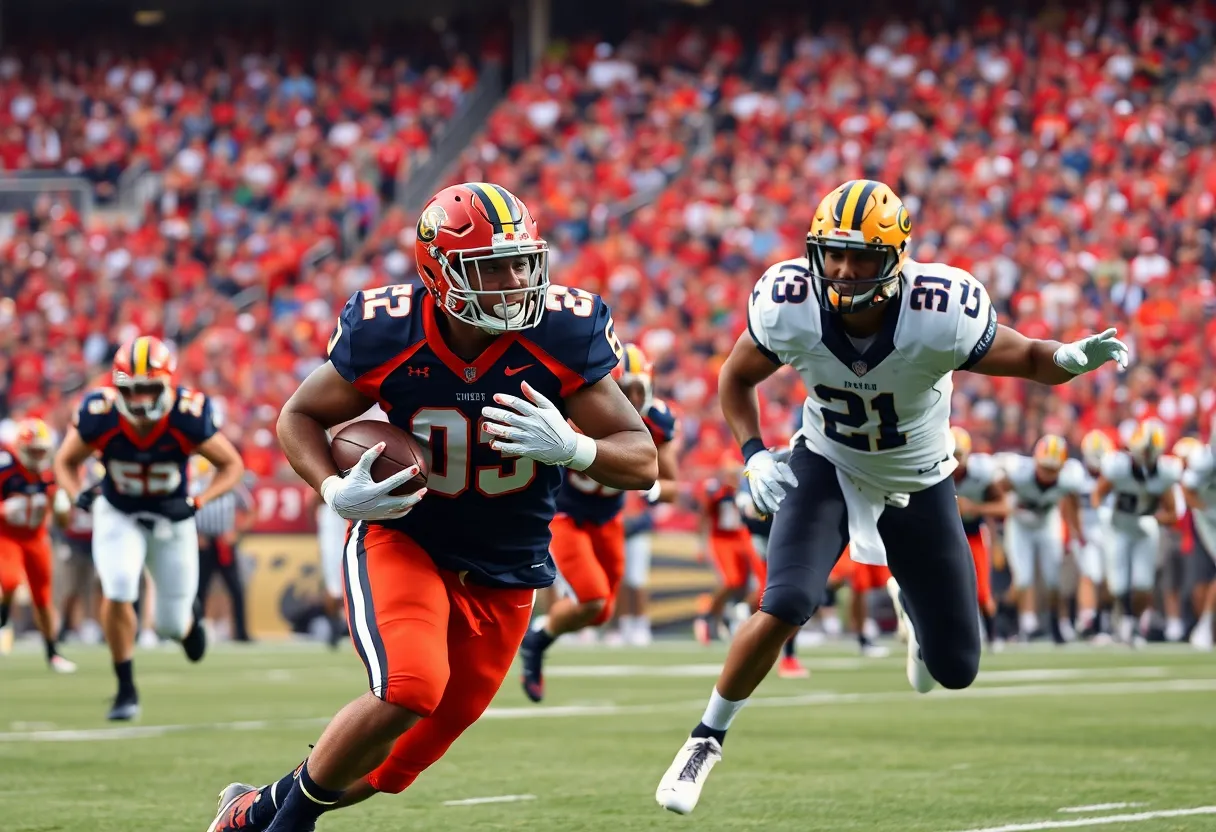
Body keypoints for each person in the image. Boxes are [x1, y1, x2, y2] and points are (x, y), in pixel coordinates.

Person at [654, 178, 1128, 814]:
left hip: (920, 478)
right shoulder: (787, 299)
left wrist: (1070, 357)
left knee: (956, 668)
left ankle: (916, 617)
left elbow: (1029, 358)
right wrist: (753, 453)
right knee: (788, 598)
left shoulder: (941, 309)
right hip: (826, 461)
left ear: (896, 260)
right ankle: (705, 738)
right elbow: (736, 378)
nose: (846, 270)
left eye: (864, 257)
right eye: (835, 254)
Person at [204, 182, 657, 832]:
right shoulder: (388, 329)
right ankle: (285, 826)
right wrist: (335, 492)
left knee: (390, 768)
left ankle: (254, 812)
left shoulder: (562, 330)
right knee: (410, 688)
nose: (514, 281)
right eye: (491, 267)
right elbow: (298, 415)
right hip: (408, 538)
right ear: (437, 271)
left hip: (509, 569)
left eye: (522, 262)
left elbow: (641, 459)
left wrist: (575, 447)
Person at [52, 335, 246, 720]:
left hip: (171, 514)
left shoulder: (187, 414)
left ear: (169, 385)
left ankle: (187, 624)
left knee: (170, 624)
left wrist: (196, 501)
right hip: (118, 509)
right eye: (132, 389)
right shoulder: (100, 411)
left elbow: (232, 465)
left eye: (150, 389)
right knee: (120, 584)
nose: (140, 400)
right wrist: (77, 494)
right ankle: (126, 688)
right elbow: (64, 461)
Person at [519, 342, 677, 701]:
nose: (633, 398)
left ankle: (540, 634)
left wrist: (650, 487)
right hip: (566, 513)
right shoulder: (582, 409)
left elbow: (672, 486)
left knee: (602, 611)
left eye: (639, 388)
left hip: (608, 517)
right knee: (591, 597)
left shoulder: (657, 421)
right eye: (625, 389)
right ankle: (534, 641)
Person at [1094, 418, 1182, 646]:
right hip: (1119, 525)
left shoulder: (1164, 472)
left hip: (1144, 528)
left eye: (1152, 451)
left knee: (1143, 584)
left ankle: (1132, 623)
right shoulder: (1118, 466)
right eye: (1145, 450)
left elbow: (1172, 512)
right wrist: (1102, 513)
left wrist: (1153, 517)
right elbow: (1098, 494)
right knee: (1118, 584)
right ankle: (1119, 621)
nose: (1148, 456)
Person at [0, 417, 76, 671]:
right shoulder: (6, 468)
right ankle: (3, 621)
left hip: (36, 537)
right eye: (33, 450)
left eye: (41, 451)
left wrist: (62, 507)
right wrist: (5, 509)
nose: (37, 455)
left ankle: (52, 652)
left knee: (43, 598)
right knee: (9, 580)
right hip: (8, 535)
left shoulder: (51, 473)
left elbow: (63, 521)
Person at [1001, 434, 1085, 643]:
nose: (1048, 474)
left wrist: (1077, 531)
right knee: (1023, 578)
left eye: (1053, 469)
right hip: (1020, 525)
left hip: (1047, 523)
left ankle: (1056, 623)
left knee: (1053, 579)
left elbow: (1073, 501)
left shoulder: (1069, 478)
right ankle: (1011, 623)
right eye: (1045, 467)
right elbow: (997, 491)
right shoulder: (1019, 473)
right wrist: (1008, 508)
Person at [736, 446, 809, 676]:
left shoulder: (801, 472)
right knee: (773, 597)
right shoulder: (752, 478)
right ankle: (779, 652)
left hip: (790, 538)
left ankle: (787, 654)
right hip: (763, 542)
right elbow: (749, 514)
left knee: (799, 597)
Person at [949, 426, 1007, 647]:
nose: (955, 461)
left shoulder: (981, 473)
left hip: (973, 534)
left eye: (958, 455)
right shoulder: (935, 470)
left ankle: (992, 636)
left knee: (982, 591)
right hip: (946, 536)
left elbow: (1003, 506)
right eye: (951, 455)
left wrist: (975, 507)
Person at [193, 456, 256, 642]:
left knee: (236, 588)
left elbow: (251, 510)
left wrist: (235, 533)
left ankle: (241, 633)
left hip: (223, 543)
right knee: (199, 589)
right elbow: (186, 510)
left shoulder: (233, 486)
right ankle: (196, 633)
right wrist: (195, 535)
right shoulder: (196, 486)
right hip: (203, 542)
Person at [1075, 430, 1115, 640]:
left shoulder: (1116, 474)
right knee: (1091, 574)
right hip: (1086, 533)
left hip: (1109, 532)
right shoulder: (1076, 474)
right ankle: (1088, 619)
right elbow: (1068, 503)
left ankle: (1103, 619)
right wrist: (1075, 531)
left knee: (1109, 578)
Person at [1182, 420, 1216, 649]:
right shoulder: (1204, 461)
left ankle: (1205, 626)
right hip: (1207, 520)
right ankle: (1204, 625)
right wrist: (1207, 510)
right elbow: (1186, 488)